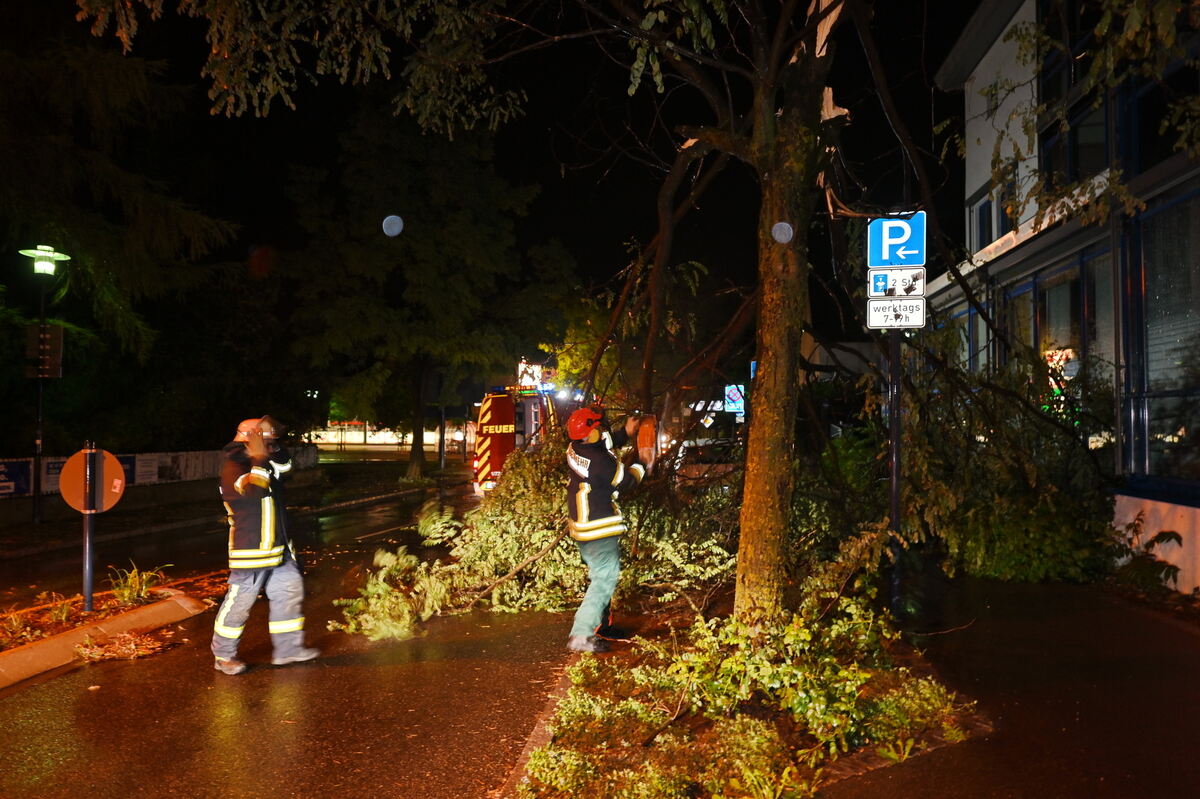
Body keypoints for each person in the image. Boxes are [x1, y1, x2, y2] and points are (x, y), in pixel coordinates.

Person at [211, 416, 319, 675]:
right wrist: (259, 457)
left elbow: (287, 467)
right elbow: (255, 492)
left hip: (280, 548)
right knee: (240, 603)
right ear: (247, 436)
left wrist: (272, 447)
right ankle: (224, 655)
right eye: (262, 434)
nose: (269, 440)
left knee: (288, 596)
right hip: (252, 551)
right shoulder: (233, 464)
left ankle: (288, 650)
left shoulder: (265, 458)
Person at [564, 405, 653, 653]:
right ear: (590, 433)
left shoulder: (577, 447)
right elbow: (627, 481)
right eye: (598, 425)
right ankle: (581, 636)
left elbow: (605, 439)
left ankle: (601, 626)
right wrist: (643, 463)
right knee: (604, 580)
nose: (602, 428)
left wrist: (626, 431)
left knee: (601, 577)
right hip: (598, 528)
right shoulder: (601, 462)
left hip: (584, 525)